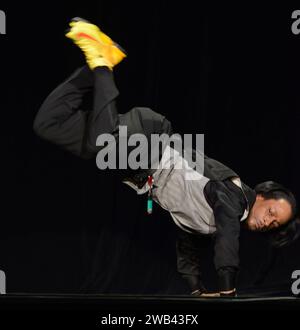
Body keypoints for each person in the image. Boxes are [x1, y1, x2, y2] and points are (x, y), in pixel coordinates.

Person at [33, 18, 299, 297]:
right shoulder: (233, 197)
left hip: (137, 159)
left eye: (274, 224)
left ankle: (96, 67)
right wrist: (227, 289)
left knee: (49, 124)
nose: (268, 222)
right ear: (265, 194)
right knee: (103, 142)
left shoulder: (209, 221)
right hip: (151, 143)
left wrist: (196, 289)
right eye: (272, 212)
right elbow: (227, 241)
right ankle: (101, 63)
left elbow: (187, 243)